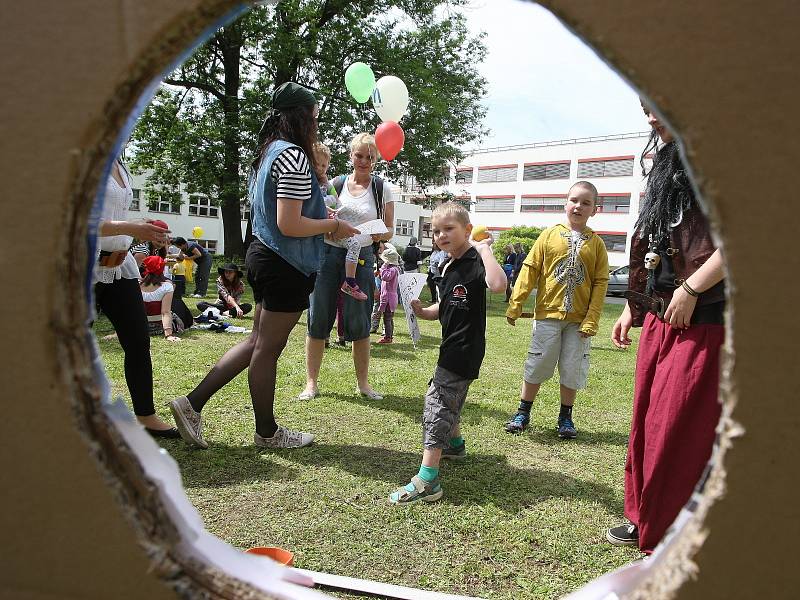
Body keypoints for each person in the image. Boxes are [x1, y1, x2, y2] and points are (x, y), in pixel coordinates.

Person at [169, 82, 359, 449]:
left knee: (258, 341)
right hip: (284, 264)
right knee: (267, 349)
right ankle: (267, 432)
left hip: (264, 255)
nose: (317, 124)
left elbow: (283, 216)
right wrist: (334, 225)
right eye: (315, 117)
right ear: (302, 117)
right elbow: (291, 224)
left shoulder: (268, 152)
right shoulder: (293, 155)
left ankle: (191, 404)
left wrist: (322, 214)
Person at [606, 104, 725, 553]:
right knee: (645, 423)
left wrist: (693, 288)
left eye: (657, 105)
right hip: (659, 316)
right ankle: (644, 516)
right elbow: (651, 241)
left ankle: (675, 535)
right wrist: (632, 309)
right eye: (643, 107)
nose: (650, 117)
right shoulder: (667, 161)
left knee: (676, 429)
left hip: (702, 320)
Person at [389, 202, 507, 504]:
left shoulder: (477, 260)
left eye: (449, 229)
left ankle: (428, 479)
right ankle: (454, 444)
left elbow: (498, 285)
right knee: (445, 395)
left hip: (464, 348)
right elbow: (448, 304)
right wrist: (424, 311)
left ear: (467, 230)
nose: (441, 235)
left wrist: (484, 250)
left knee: (437, 403)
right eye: (436, 231)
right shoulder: (447, 264)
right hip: (452, 345)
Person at [503, 182, 609, 439]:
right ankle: (523, 412)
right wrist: (516, 303)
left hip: (579, 322)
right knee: (538, 362)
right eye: (574, 200)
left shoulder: (597, 244)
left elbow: (600, 282)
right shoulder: (548, 235)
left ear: (595, 209)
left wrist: (592, 319)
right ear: (566, 204)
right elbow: (530, 269)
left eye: (586, 203)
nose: (579, 206)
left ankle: (565, 417)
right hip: (548, 316)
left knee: (572, 367)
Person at [301, 132, 395, 401]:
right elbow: (318, 213)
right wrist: (328, 227)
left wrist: (378, 234)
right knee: (318, 317)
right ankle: (311, 383)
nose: (364, 161)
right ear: (350, 155)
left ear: (375, 160)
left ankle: (363, 385)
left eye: (369, 157)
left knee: (360, 322)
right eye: (359, 155)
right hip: (328, 256)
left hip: (362, 258)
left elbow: (389, 229)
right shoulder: (335, 183)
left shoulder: (381, 188)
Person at [94, 158, 179, 438]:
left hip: (120, 267)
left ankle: (146, 415)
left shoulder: (119, 162)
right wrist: (131, 228)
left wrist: (142, 226)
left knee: (138, 340)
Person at [312, 141, 369, 301]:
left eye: (324, 166)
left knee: (355, 244)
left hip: (332, 225)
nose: (320, 169)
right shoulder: (306, 181)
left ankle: (350, 281)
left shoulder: (326, 183)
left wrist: (332, 209)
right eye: (317, 164)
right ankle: (350, 282)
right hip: (318, 233)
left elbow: (335, 201)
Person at [139, 255, 182, 342]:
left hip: (140, 327)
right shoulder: (167, 286)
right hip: (158, 327)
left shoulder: (136, 285)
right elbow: (165, 312)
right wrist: (169, 335)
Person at [375, 245, 401, 344]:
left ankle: (388, 337)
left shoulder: (393, 269)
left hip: (389, 298)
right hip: (389, 296)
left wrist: (383, 267)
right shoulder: (394, 269)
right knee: (389, 318)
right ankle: (389, 336)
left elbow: (386, 277)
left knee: (387, 318)